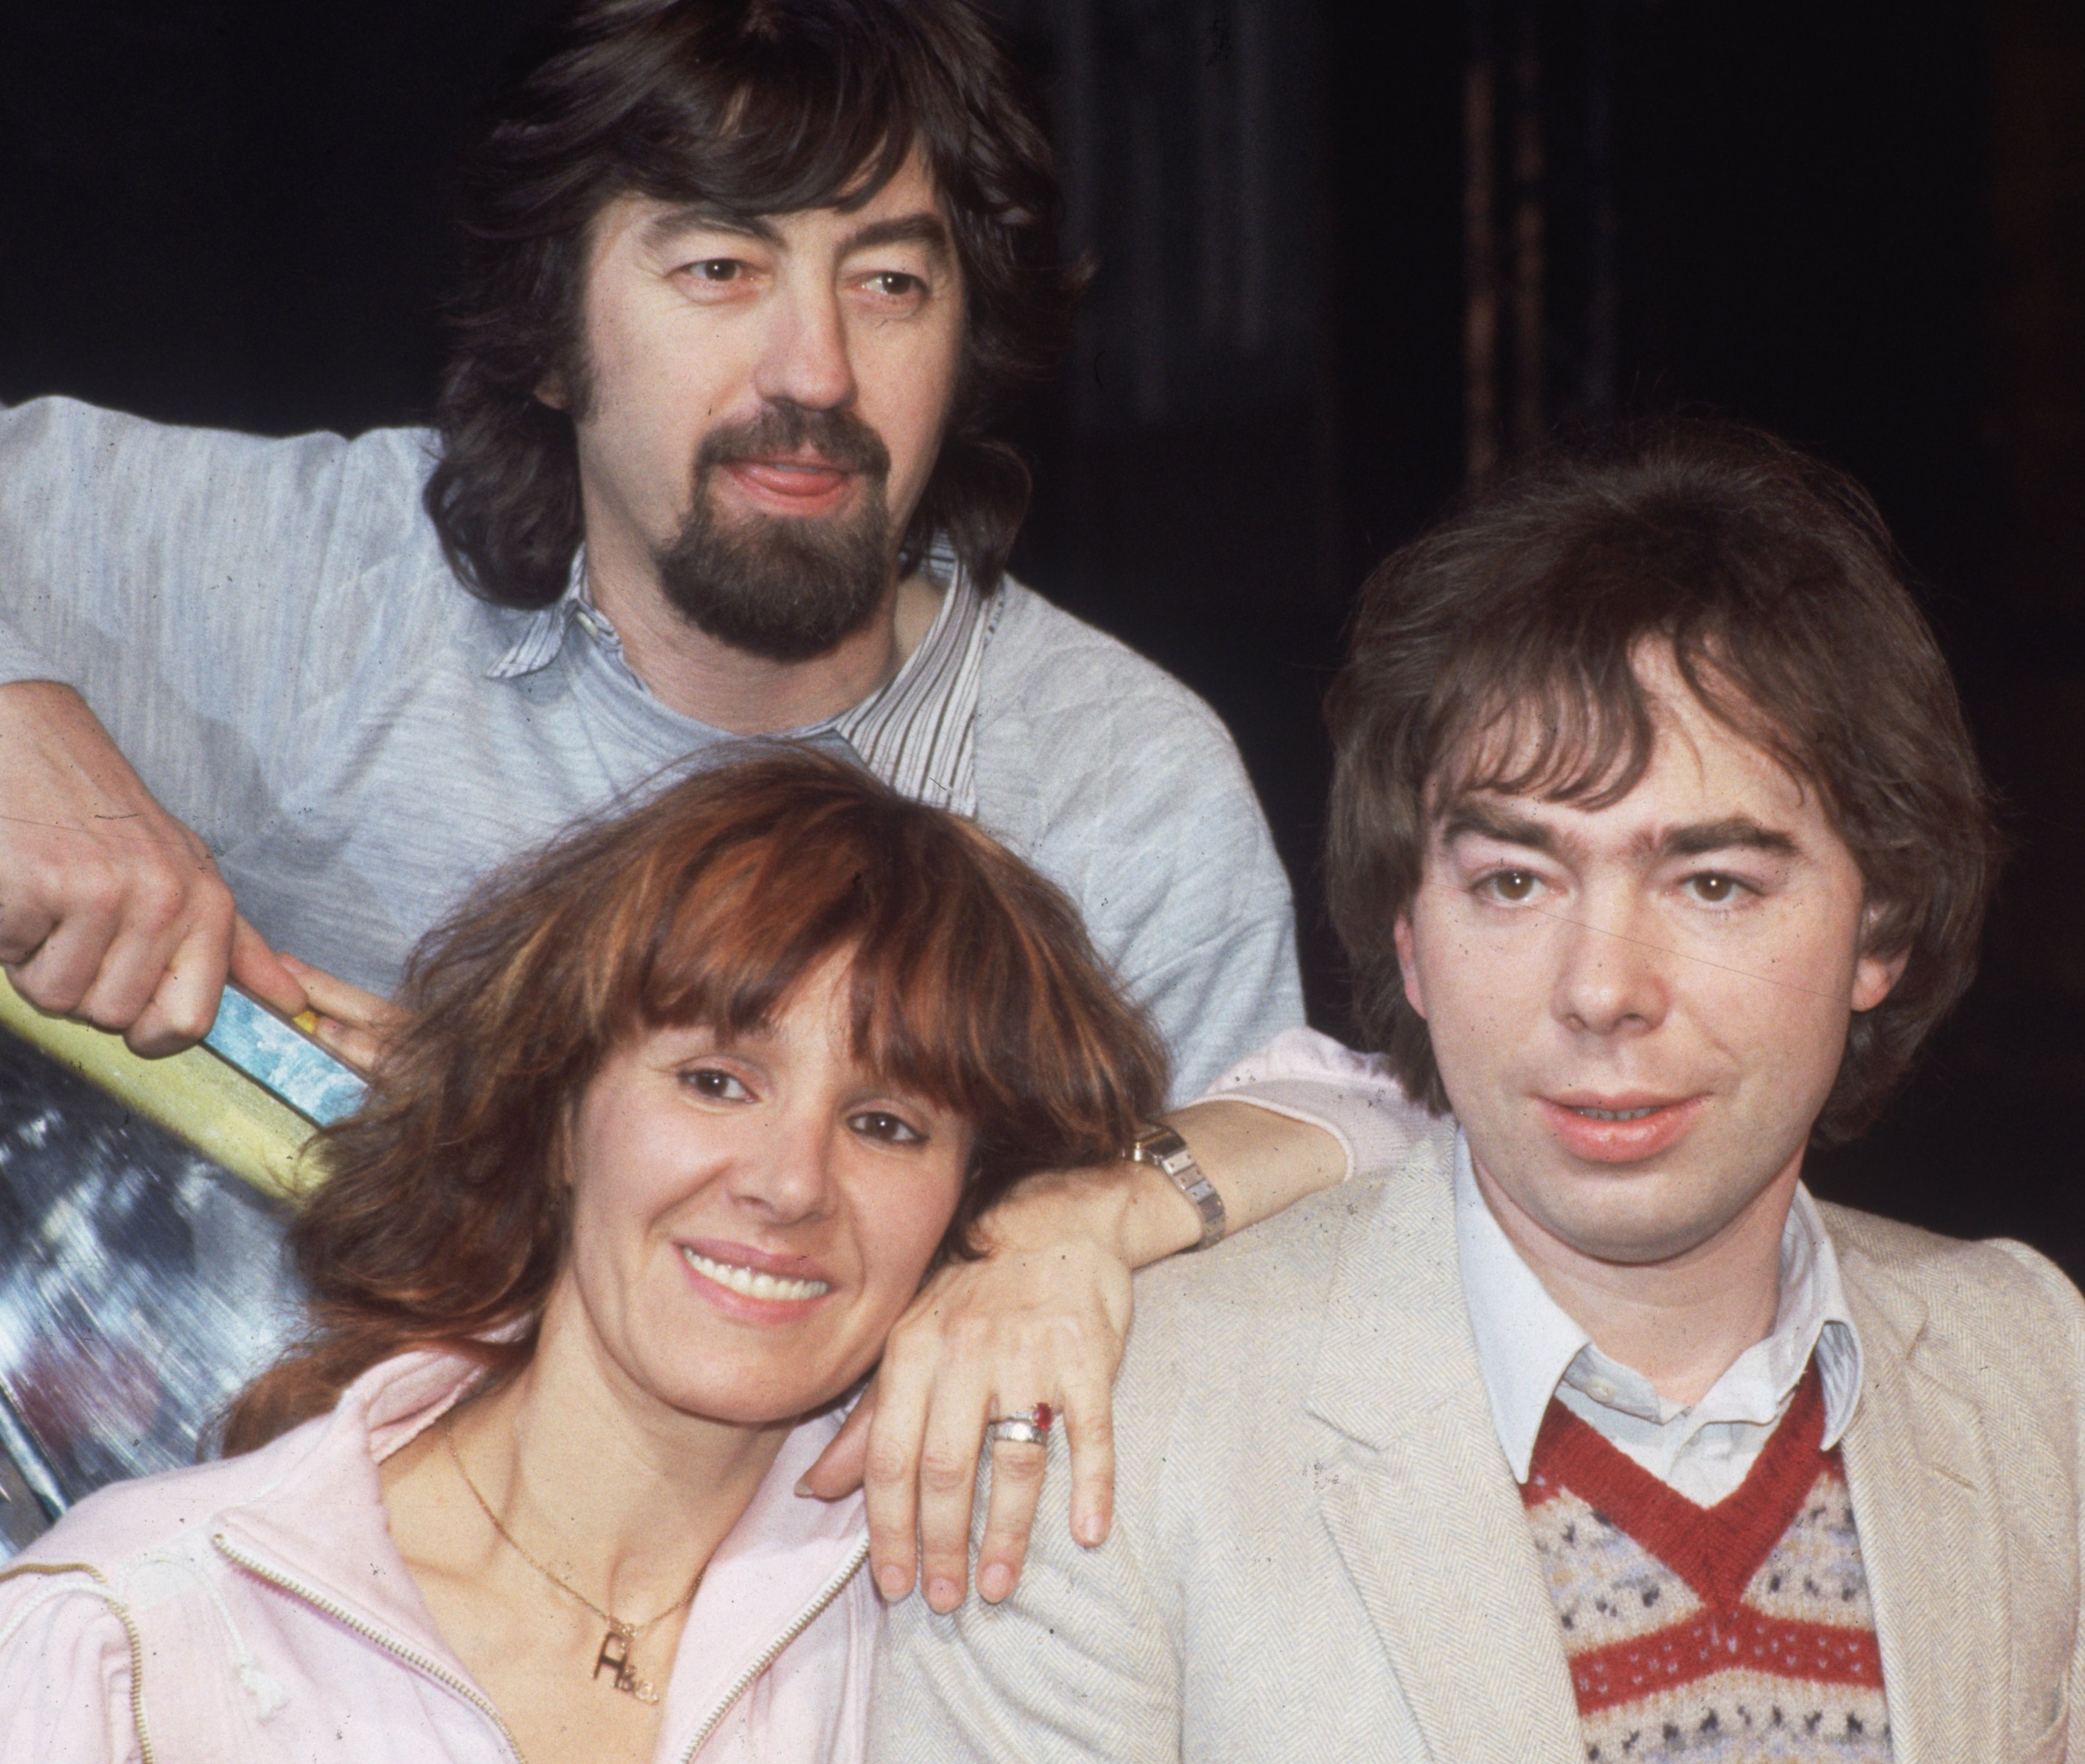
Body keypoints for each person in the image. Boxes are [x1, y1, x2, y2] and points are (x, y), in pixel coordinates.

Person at [0, 0, 1359, 1606]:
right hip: (206, 1635)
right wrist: (21, 724)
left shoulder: (1111, 785)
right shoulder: (296, 590)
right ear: (554, 333)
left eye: (893, 281)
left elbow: (1337, 1207)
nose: (817, 369)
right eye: (719, 269)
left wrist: (1082, 1217)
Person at [861, 422, 2085, 1764]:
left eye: (1713, 882)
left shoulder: (2017, 1360)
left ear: (1884, 929)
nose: (1602, 987)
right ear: (1408, 930)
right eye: (1514, 880)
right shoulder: (1113, 1432)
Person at [0, 748, 1169, 1764]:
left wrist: (1093, 1218)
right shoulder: (139, 1631)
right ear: (554, 1113)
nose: (790, 1181)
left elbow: (1358, 1107)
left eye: (887, 1124)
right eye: (717, 1081)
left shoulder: (939, 1599)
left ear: (969, 1199)